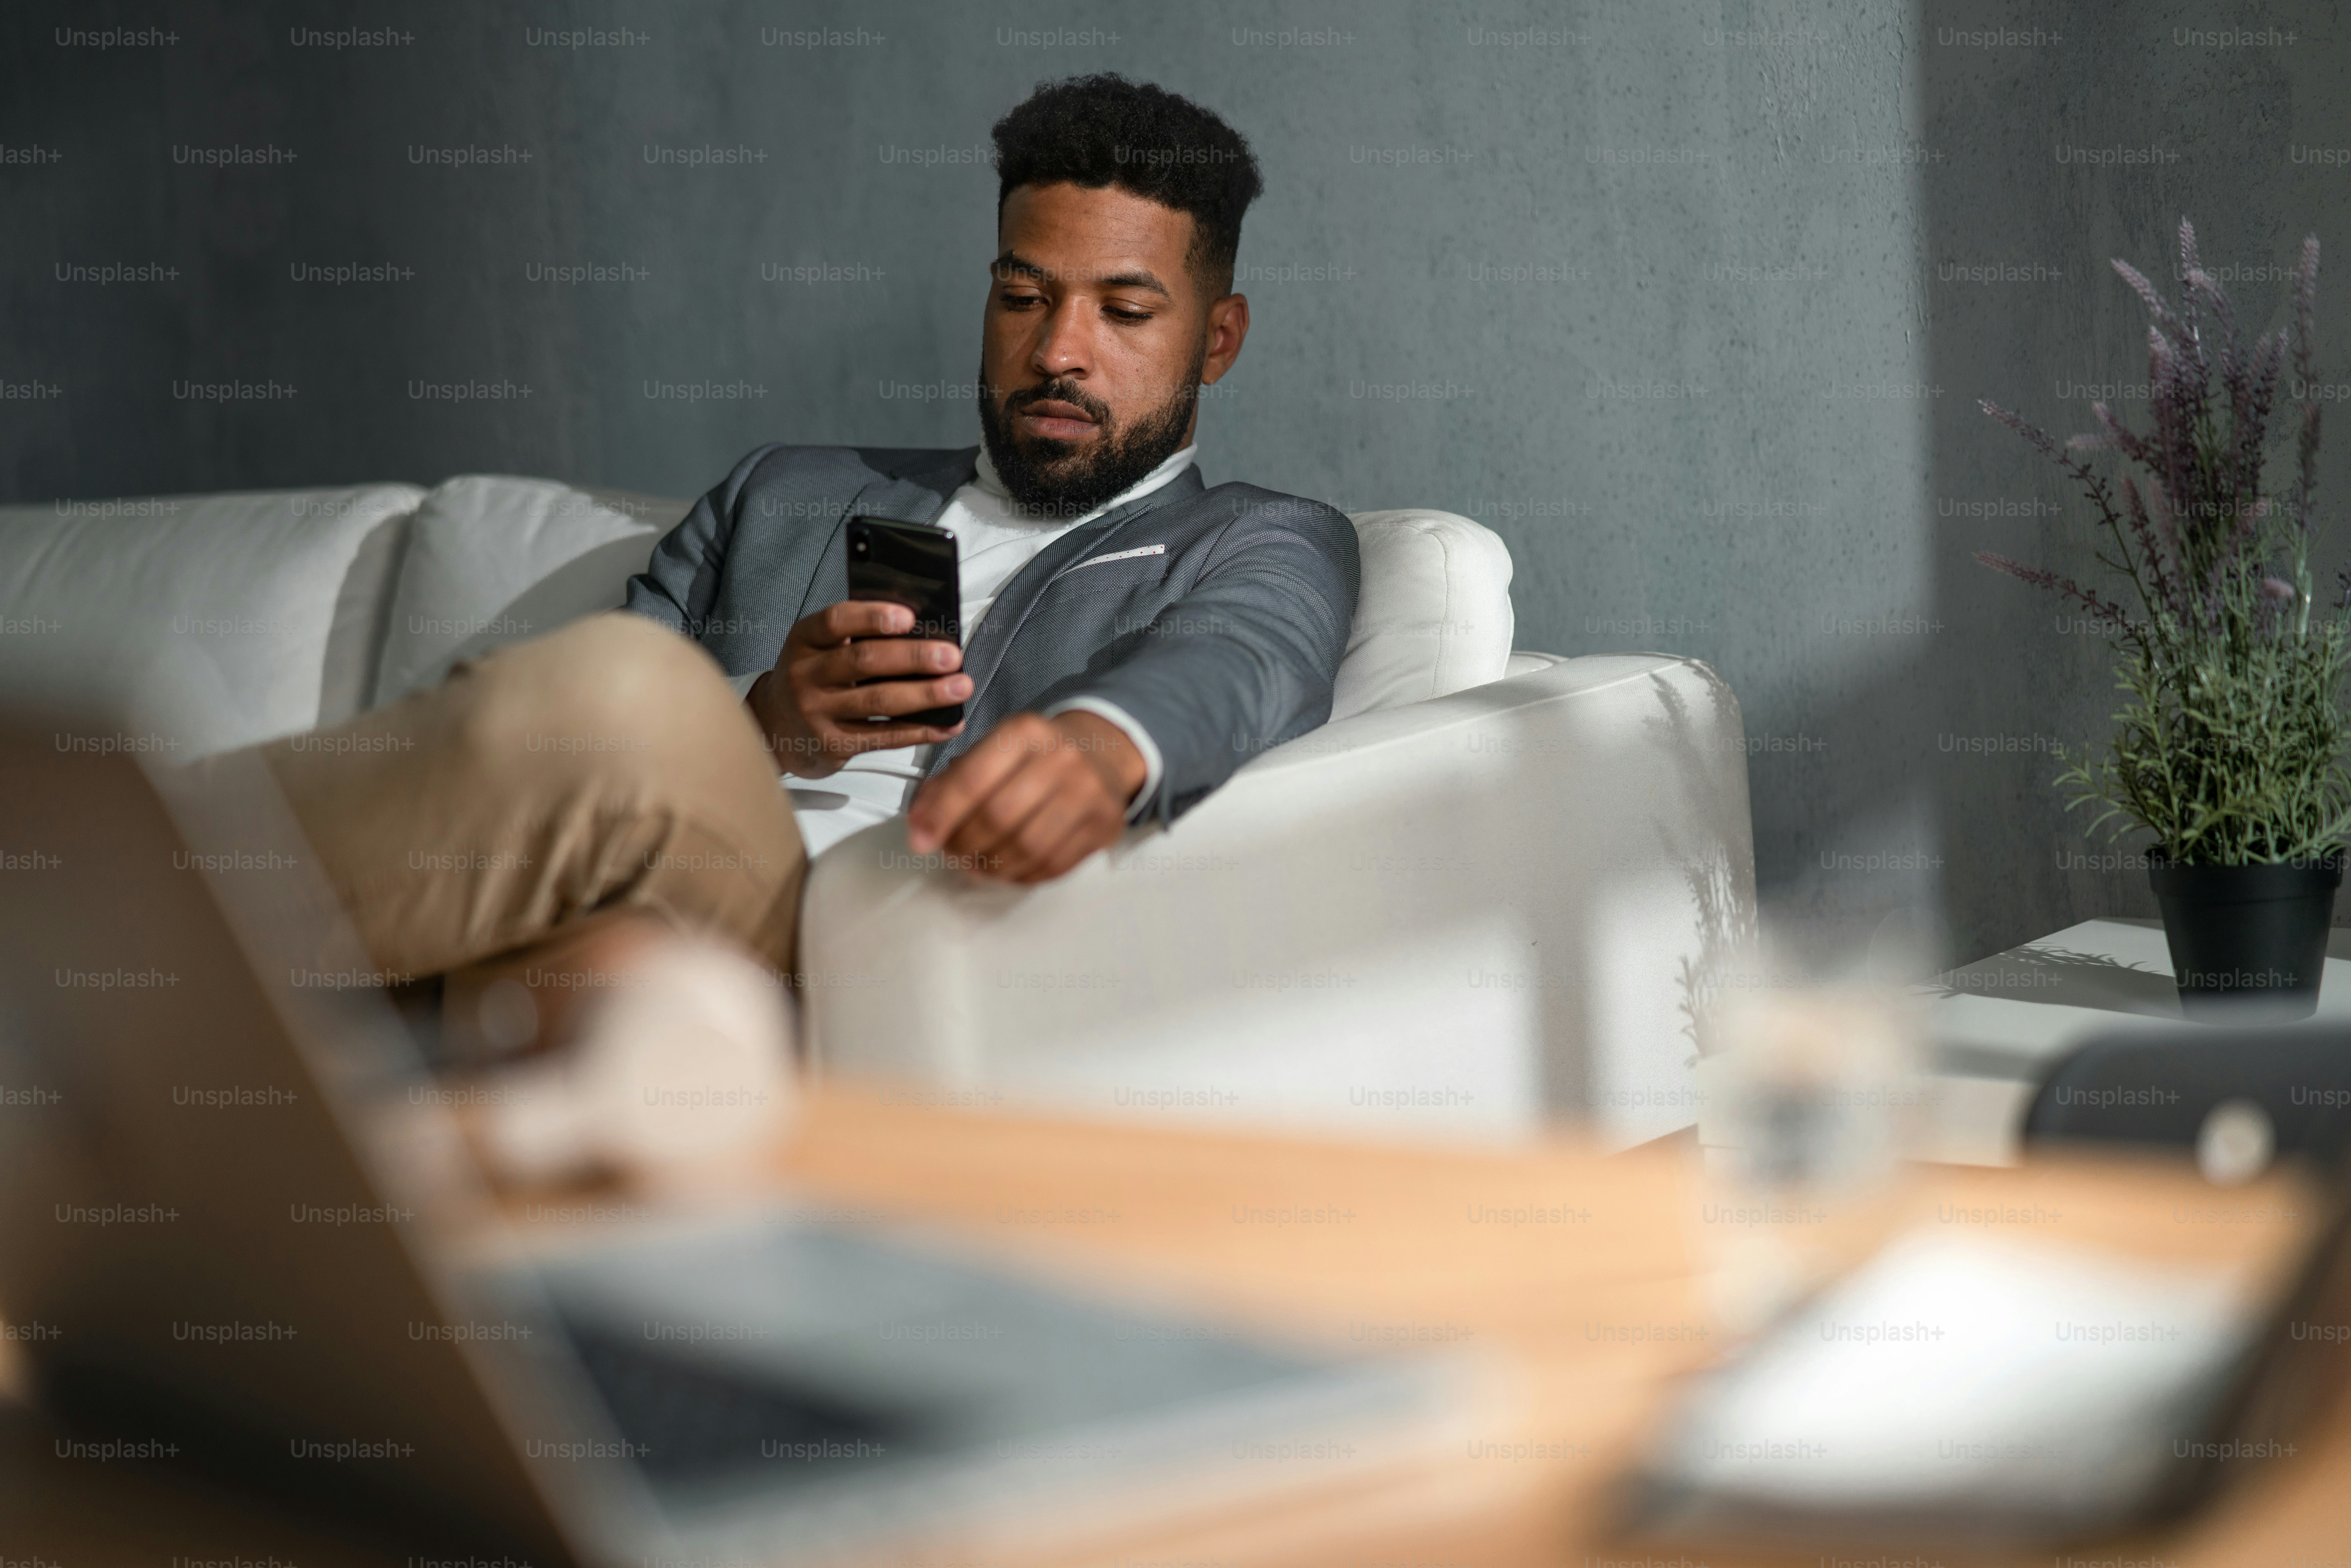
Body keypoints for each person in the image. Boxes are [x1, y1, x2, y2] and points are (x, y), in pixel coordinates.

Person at [221, 75, 1359, 1057]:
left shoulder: (1265, 538)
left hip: (863, 939)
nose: (1058, 351)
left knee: (631, 700)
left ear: (1218, 339)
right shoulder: (786, 488)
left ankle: (102, 920)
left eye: (1123, 310)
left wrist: (1099, 744)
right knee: (581, 975)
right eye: (1022, 297)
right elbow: (531, 747)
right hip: (652, 923)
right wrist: (764, 723)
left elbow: (1244, 659)